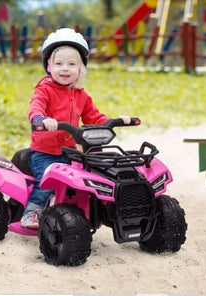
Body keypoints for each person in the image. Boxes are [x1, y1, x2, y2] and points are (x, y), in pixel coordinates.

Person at [21, 28, 131, 229]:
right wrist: (41, 119)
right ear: (48, 66)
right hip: (44, 153)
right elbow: (35, 107)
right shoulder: (44, 90)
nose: (65, 69)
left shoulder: (81, 95)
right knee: (47, 182)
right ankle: (32, 213)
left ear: (80, 69)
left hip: (70, 152)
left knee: (88, 180)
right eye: (59, 64)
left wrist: (114, 121)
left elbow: (94, 117)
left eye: (72, 64)